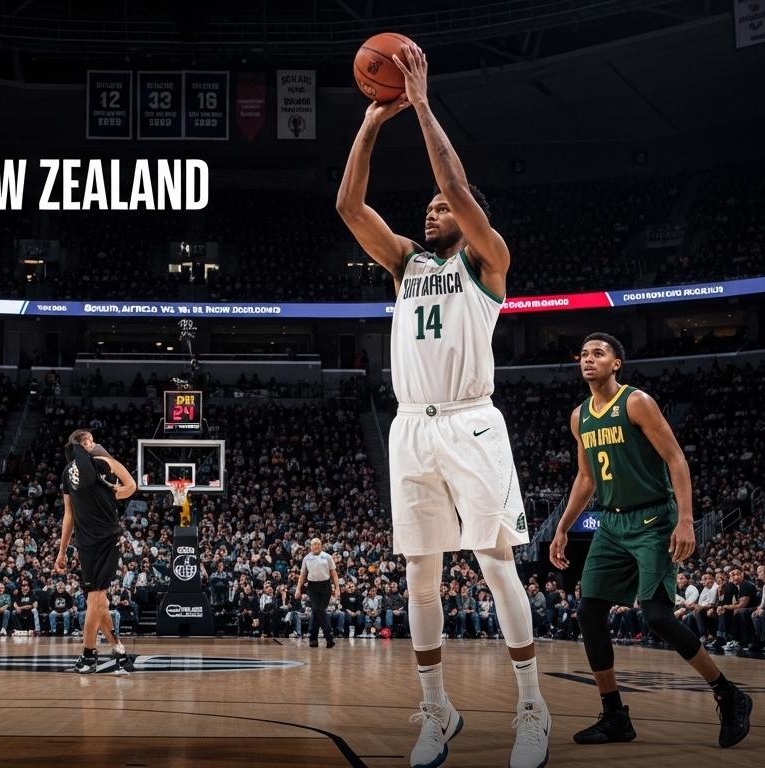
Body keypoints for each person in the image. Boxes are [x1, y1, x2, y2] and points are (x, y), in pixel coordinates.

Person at [336, 42, 546, 768]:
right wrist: (372, 121)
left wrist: (422, 105)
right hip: (411, 428)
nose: (430, 211)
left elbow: (455, 185)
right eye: (425, 206)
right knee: (418, 575)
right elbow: (348, 207)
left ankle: (531, 708)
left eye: (439, 206)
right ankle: (436, 709)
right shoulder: (406, 264)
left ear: (467, 216)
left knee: (496, 566)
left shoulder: (487, 261)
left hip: (471, 421)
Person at [550, 332, 752, 750]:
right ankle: (614, 716)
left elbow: (676, 458)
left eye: (598, 353)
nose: (588, 359)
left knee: (658, 617)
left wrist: (686, 520)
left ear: (616, 363)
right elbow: (586, 478)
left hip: (653, 520)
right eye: (584, 354)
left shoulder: (637, 402)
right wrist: (563, 526)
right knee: (589, 612)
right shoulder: (579, 416)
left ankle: (729, 694)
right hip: (610, 524)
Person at [54, 430, 137, 674]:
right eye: (90, 440)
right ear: (84, 445)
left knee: (96, 599)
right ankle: (111, 652)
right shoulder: (93, 466)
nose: (94, 442)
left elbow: (68, 516)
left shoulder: (83, 468)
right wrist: (112, 493)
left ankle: (96, 653)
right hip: (95, 540)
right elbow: (132, 485)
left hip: (96, 541)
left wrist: (62, 551)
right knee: (98, 602)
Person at [294, 538, 338, 648]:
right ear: (310, 546)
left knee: (318, 611)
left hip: (326, 586)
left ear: (321, 546)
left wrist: (337, 588)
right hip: (312, 587)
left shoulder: (327, 557)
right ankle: (329, 636)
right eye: (314, 544)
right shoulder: (306, 558)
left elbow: (333, 574)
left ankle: (313, 638)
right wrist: (298, 589)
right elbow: (303, 575)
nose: (316, 546)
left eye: (318, 544)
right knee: (319, 609)